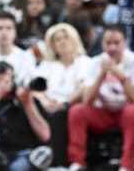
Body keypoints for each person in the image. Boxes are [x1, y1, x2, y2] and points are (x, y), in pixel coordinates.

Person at [67, 25, 134, 171]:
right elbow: (87, 100)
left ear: (125, 43)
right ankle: (77, 162)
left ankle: (127, 165)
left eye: (116, 43)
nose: (112, 48)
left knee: (133, 111)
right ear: (102, 44)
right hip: (104, 112)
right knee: (77, 111)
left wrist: (121, 76)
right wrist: (101, 75)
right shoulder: (94, 63)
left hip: (127, 112)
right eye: (108, 43)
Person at [33, 23, 90, 167]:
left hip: (71, 105)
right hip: (48, 104)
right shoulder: (47, 65)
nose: (63, 41)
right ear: (52, 45)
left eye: (66, 37)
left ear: (74, 40)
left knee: (60, 115)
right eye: (57, 40)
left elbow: (82, 87)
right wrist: (44, 101)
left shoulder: (84, 62)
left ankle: (57, 164)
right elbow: (35, 89)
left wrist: (64, 103)